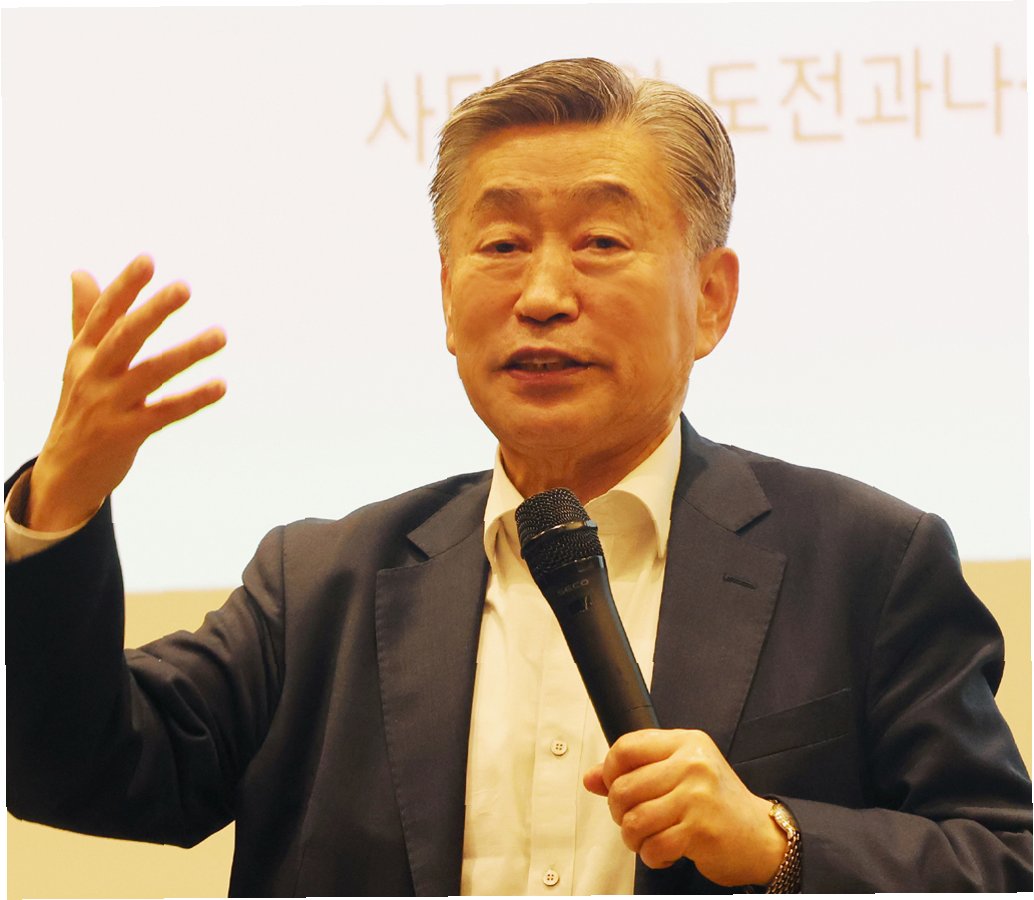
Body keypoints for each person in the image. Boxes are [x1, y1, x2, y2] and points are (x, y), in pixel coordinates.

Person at [6, 57, 1031, 895]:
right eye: (499, 243)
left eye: (601, 241)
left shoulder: (866, 563)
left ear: (711, 299)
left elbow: (1001, 863)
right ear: (446, 296)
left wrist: (778, 843)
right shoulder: (318, 585)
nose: (542, 293)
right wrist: (62, 503)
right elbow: (68, 766)